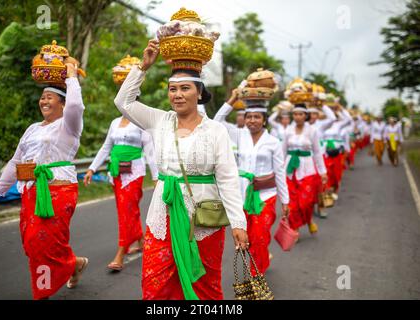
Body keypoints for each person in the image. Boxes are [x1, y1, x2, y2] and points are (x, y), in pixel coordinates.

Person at [114, 39, 249, 300]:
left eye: (185, 88)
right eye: (172, 89)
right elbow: (123, 102)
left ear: (199, 93)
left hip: (204, 222)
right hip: (161, 218)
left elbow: (228, 180)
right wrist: (143, 67)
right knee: (154, 287)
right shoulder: (159, 121)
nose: (177, 94)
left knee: (205, 288)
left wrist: (238, 223)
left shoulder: (215, 130)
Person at [0, 63, 88, 300]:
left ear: (62, 103)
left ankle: (42, 294)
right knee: (31, 243)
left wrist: (71, 76)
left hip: (58, 191)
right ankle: (74, 263)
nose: (43, 101)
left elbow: (76, 105)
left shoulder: (69, 125)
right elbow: (15, 162)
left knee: (43, 243)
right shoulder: (31, 129)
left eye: (49, 97)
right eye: (42, 97)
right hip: (30, 192)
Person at [214, 89, 289, 274]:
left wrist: (285, 200)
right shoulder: (238, 135)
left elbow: (280, 173)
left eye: (257, 117)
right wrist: (232, 98)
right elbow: (217, 122)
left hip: (266, 197)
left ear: (264, 120)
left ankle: (257, 277)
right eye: (249, 116)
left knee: (261, 237)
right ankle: (259, 260)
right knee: (246, 239)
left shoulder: (273, 142)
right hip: (241, 197)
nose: (252, 120)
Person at [84, 114, 158, 271]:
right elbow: (106, 147)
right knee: (126, 210)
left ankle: (121, 251)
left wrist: (156, 177)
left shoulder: (141, 121)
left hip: (134, 172)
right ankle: (140, 240)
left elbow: (150, 151)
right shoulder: (115, 122)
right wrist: (92, 168)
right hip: (116, 171)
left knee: (126, 211)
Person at [283, 104, 327, 236]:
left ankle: (308, 220)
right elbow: (282, 151)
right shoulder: (288, 130)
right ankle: (295, 229)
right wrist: (277, 170)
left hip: (307, 169)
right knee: (292, 203)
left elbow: (317, 152)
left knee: (306, 202)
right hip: (290, 170)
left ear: (305, 115)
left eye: (300, 114)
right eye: (295, 114)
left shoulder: (312, 131)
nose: (298, 117)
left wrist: (322, 171)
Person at [307, 104, 336, 218]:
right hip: (307, 160)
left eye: (315, 114)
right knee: (308, 186)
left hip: (320, 160)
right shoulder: (300, 126)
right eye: (310, 114)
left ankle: (321, 207)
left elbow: (333, 118)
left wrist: (322, 105)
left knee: (322, 185)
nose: (312, 116)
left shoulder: (321, 126)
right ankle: (310, 209)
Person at [322, 106, 352, 200]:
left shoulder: (338, 125)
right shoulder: (322, 124)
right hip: (325, 153)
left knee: (336, 175)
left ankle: (335, 190)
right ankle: (327, 194)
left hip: (336, 153)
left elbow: (349, 119)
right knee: (327, 174)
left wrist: (341, 109)